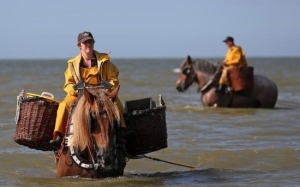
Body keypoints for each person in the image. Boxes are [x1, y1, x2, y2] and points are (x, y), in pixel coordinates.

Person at [50, 31, 126, 148]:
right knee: (64, 105)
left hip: (102, 95)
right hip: (80, 95)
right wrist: (77, 91)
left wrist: (107, 89)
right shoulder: (72, 64)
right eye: (85, 42)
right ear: (79, 45)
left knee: (116, 104)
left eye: (90, 41)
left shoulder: (105, 61)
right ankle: (58, 136)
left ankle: (122, 131)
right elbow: (68, 84)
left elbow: (113, 79)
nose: (88, 44)